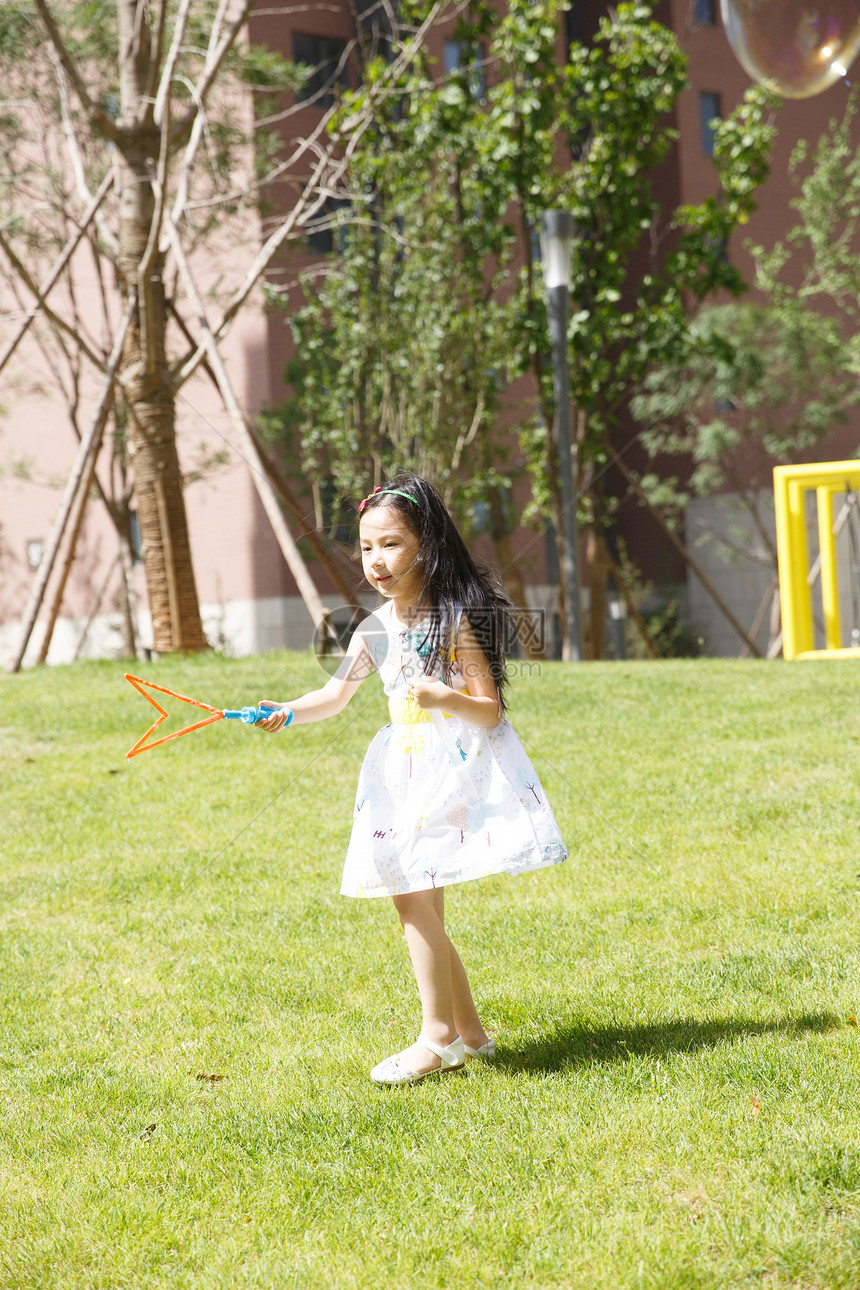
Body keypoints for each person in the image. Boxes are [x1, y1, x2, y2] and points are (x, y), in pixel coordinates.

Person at [256, 472, 567, 1085]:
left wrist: (445, 696)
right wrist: (289, 711)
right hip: (399, 771)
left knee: (410, 896)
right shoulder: (375, 626)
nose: (377, 560)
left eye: (392, 544)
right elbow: (334, 694)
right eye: (368, 548)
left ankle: (437, 1034)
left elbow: (489, 710)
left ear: (425, 544)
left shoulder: (452, 619)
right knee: (416, 897)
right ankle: (471, 1036)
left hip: (448, 770)